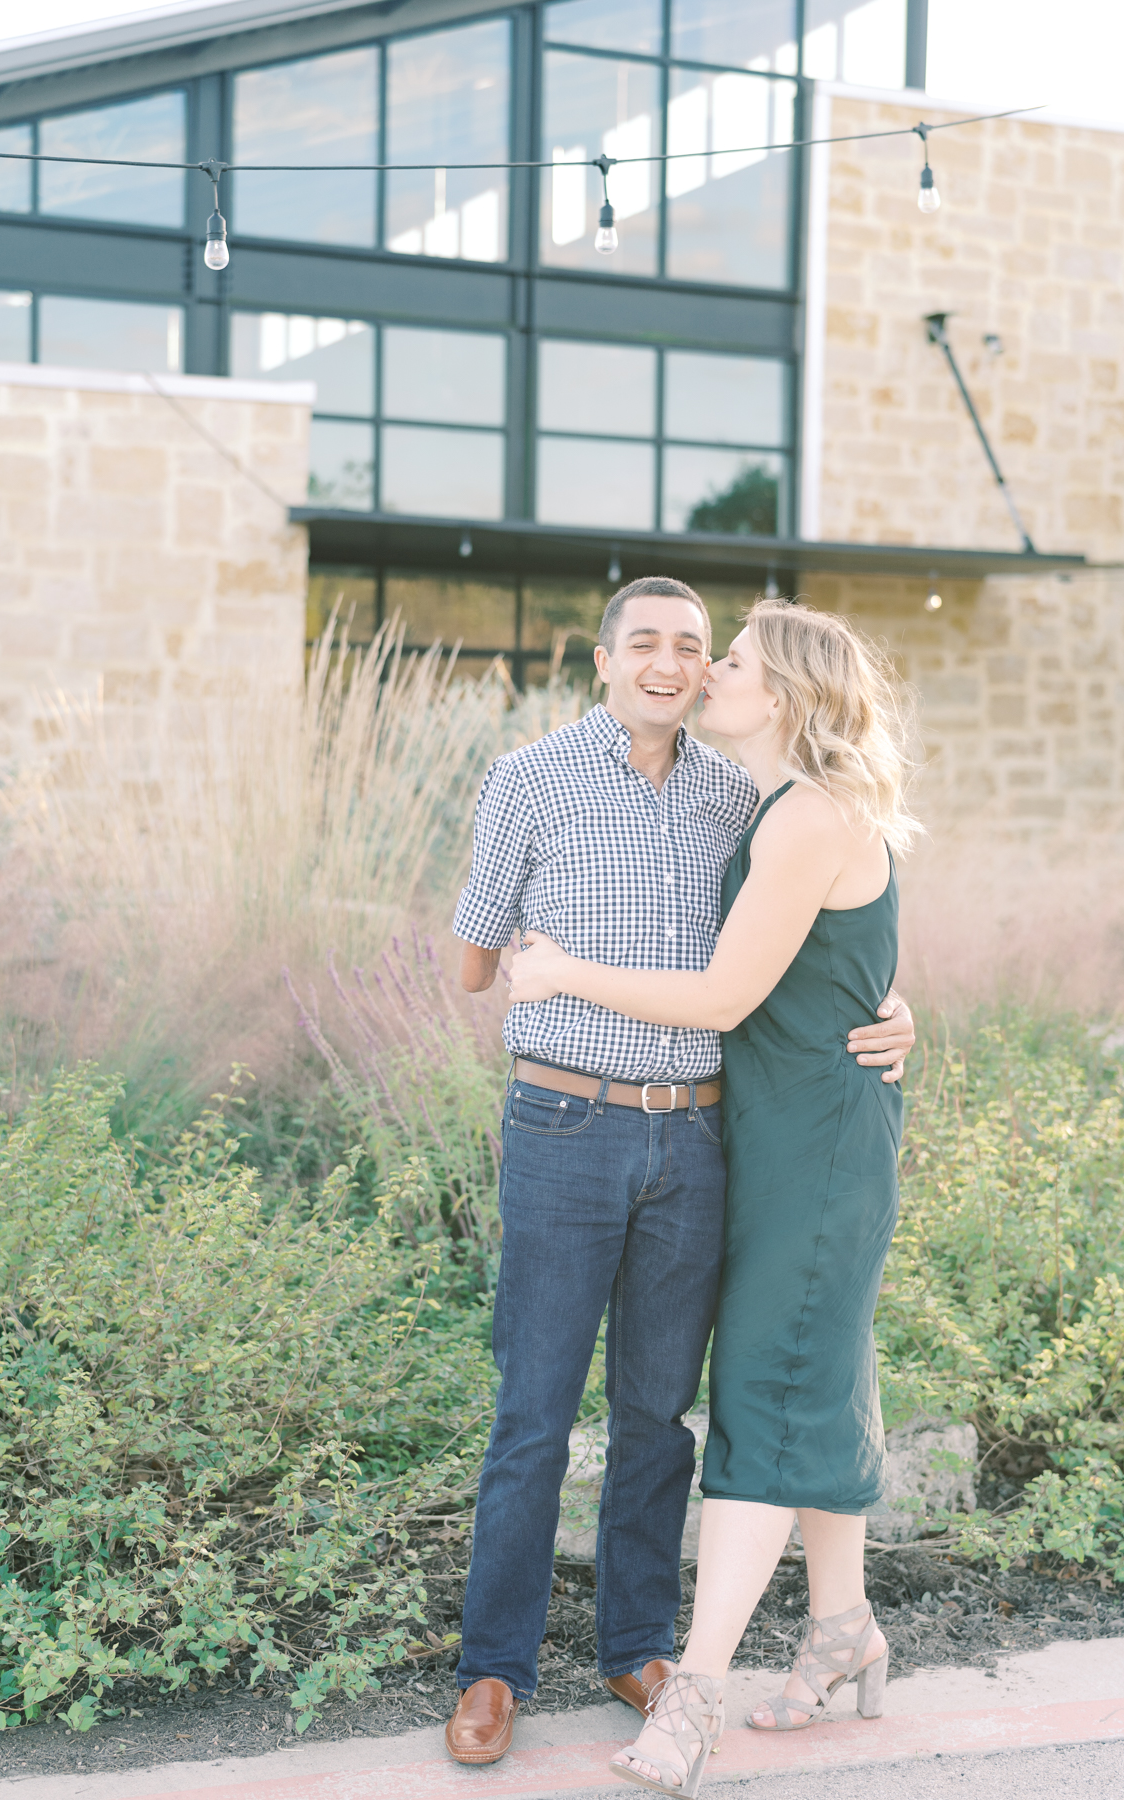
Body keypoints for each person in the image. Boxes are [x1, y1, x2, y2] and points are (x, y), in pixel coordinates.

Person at [444, 579, 915, 1770]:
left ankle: (637, 1646)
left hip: (702, 1138)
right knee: (533, 1413)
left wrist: (887, 1003)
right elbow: (470, 961)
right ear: (600, 659)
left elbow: (808, 935)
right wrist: (526, 966)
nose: (678, 666)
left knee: (658, 1418)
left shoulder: (739, 790)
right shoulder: (530, 779)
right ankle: (492, 1669)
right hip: (566, 1125)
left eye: (700, 650)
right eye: (647, 644)